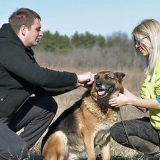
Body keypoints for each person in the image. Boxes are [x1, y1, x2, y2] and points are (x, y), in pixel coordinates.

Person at [0, 8, 94, 160]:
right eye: (38, 29)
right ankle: (14, 152)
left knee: (47, 105)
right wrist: (76, 76)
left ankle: (14, 152)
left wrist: (77, 83)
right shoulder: (5, 47)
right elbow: (39, 76)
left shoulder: (22, 51)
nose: (41, 33)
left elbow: (41, 88)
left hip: (5, 117)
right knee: (17, 150)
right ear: (23, 29)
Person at [109, 19, 160, 158]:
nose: (137, 46)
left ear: (152, 38)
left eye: (139, 41)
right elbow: (145, 107)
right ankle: (156, 155)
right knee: (118, 130)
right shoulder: (151, 69)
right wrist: (119, 88)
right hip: (156, 127)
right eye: (135, 42)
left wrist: (128, 101)